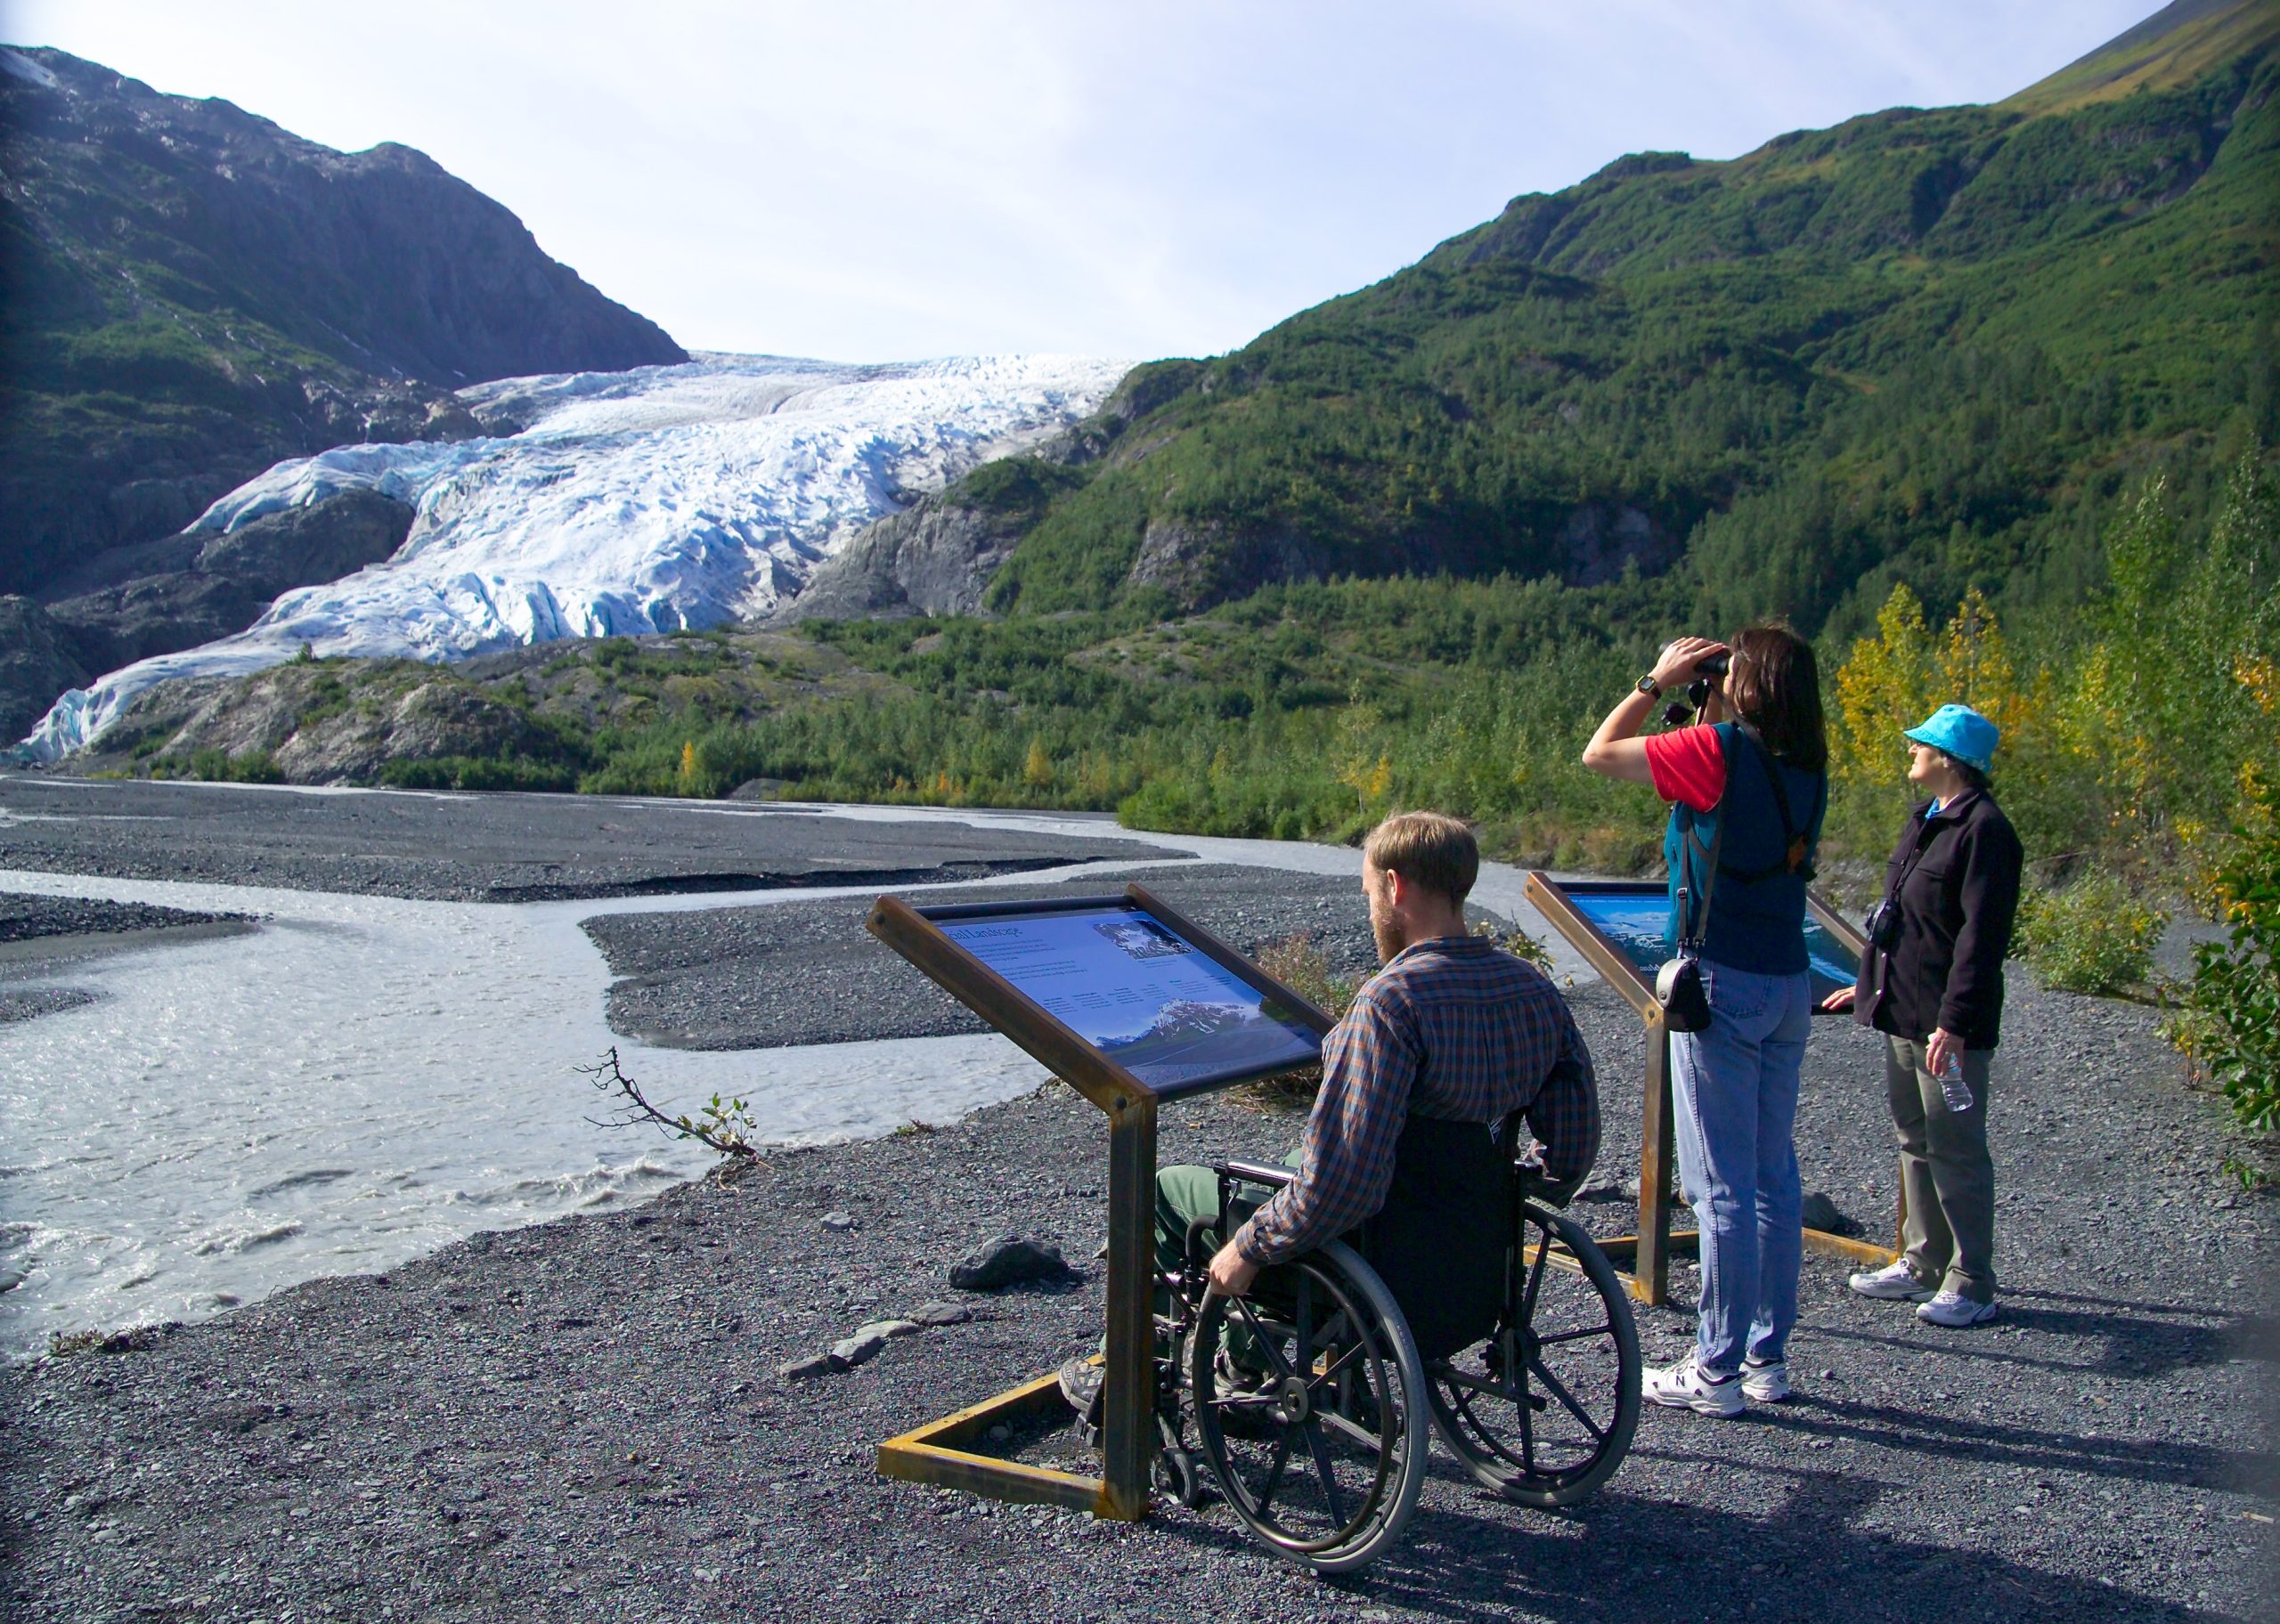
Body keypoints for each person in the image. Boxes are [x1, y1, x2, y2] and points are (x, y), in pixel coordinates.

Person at [1059, 811, 1600, 1421]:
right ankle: (1243, 1358)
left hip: (1378, 1257)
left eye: (1369, 891)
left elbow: (1347, 1181)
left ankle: (1129, 1368)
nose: (1370, 906)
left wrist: (1252, 1247)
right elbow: (1572, 1149)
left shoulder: (1390, 1005)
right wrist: (1497, 1194)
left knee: (1166, 1192)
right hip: (1469, 1260)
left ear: (1395, 887)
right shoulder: (1532, 990)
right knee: (1291, 1170)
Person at [1580, 623, 1828, 1417]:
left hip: (1722, 982)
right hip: (1789, 981)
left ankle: (1714, 1371)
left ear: (1747, 683)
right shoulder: (1807, 763)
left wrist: (1655, 682)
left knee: (1718, 1187)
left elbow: (1601, 753)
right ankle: (1766, 1359)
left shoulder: (1719, 752)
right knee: (1770, 1181)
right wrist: (1708, 703)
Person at [1823, 703, 2023, 1328]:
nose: (1911, 749)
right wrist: (1866, 988)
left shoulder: (1986, 830)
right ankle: (1923, 1262)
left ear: (1949, 758)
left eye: (1922, 743)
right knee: (1915, 1139)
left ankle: (1972, 1282)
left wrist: (1955, 1025)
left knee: (1957, 1148)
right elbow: (1902, 924)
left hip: (1946, 1026)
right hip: (1902, 1013)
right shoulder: (1926, 819)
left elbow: (1979, 942)